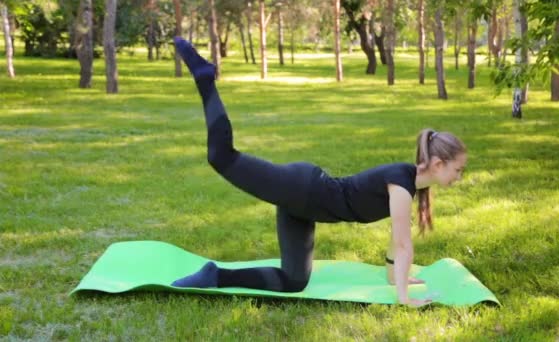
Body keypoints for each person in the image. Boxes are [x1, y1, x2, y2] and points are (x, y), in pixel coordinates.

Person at [170, 37, 467, 307]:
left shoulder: (409, 185)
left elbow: (396, 243)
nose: (459, 176)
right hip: (303, 188)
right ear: (439, 164)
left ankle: (215, 275)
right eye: (458, 169)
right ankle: (206, 78)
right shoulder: (402, 184)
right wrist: (405, 298)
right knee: (222, 157)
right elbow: (403, 244)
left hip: (305, 206)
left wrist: (395, 279)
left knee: (294, 281)